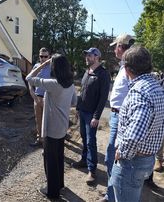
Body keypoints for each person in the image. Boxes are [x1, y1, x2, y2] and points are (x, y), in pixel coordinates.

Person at [110, 46, 164, 202]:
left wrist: (122, 153)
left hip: (131, 163)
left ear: (127, 69)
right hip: (145, 159)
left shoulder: (139, 92)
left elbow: (134, 135)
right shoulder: (156, 86)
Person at [26, 54, 77, 199]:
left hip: (51, 128)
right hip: (62, 126)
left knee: (50, 159)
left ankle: (52, 192)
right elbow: (74, 102)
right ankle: (59, 184)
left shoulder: (53, 84)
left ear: (54, 67)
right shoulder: (70, 84)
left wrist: (43, 64)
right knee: (59, 157)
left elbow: (29, 78)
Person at [100, 34, 135, 202]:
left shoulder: (131, 69)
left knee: (113, 157)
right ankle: (112, 194)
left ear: (122, 47)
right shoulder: (124, 67)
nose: (114, 49)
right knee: (112, 157)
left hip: (122, 116)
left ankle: (114, 195)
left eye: (116, 46)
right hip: (116, 115)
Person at [73, 47, 111, 185]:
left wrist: (96, 116)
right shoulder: (87, 72)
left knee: (90, 141)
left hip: (91, 115)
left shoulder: (103, 74)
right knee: (83, 137)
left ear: (96, 57)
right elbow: (82, 92)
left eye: (89, 55)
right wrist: (77, 108)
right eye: (86, 55)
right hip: (82, 111)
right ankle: (84, 160)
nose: (86, 57)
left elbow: (103, 99)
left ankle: (92, 170)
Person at [28, 47, 51, 146]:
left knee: (48, 121)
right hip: (37, 97)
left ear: (49, 57)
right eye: (41, 56)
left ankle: (49, 142)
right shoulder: (36, 66)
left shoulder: (52, 67)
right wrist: (32, 93)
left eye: (45, 56)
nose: (43, 58)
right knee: (38, 119)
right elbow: (29, 79)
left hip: (48, 98)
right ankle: (40, 139)